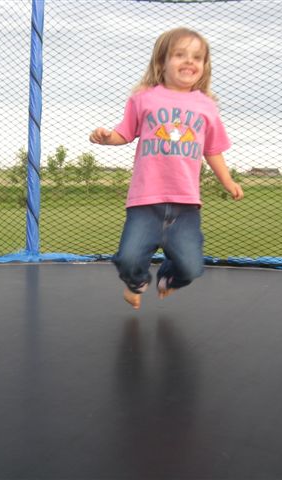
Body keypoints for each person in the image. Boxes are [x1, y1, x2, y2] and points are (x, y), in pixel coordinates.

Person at [89, 27, 244, 310]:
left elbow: (212, 149)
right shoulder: (144, 98)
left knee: (192, 266)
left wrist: (228, 181)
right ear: (162, 62)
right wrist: (106, 137)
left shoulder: (207, 106)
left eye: (197, 57)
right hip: (145, 201)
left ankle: (168, 279)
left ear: (204, 65)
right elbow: (125, 133)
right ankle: (136, 282)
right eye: (180, 55)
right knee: (128, 258)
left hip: (185, 204)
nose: (189, 61)